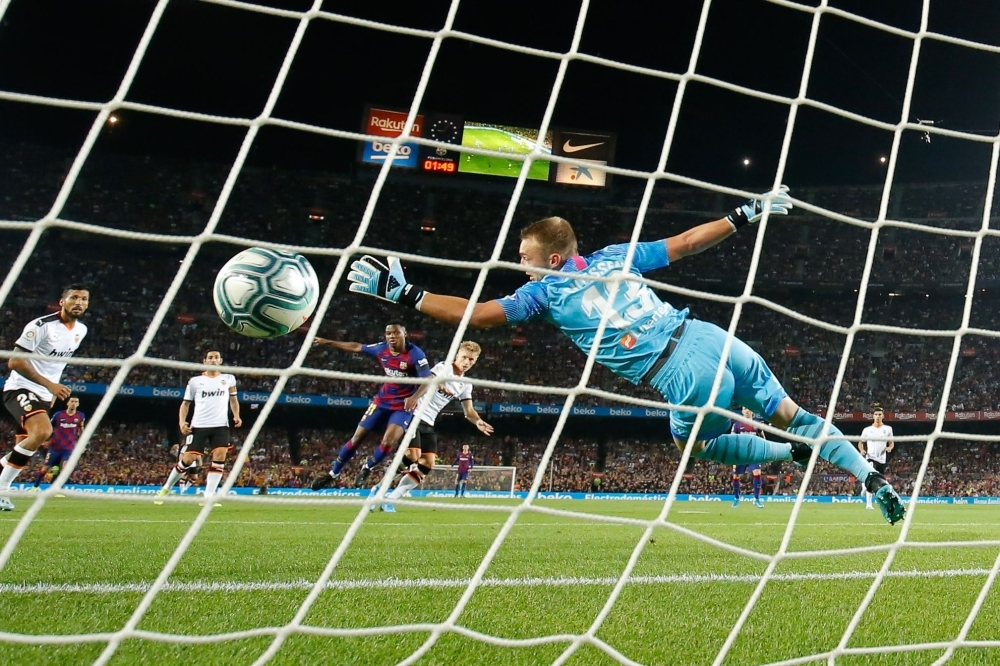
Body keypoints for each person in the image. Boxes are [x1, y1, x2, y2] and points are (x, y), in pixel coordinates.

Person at [345, 187, 906, 525]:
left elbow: (482, 313)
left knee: (694, 440)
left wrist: (407, 295)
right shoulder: (617, 255)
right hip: (713, 336)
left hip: (680, 372)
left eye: (526, 256)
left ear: (556, 258)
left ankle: (787, 457)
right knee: (799, 414)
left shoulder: (546, 290)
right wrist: (746, 211)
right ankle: (867, 477)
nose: (522, 264)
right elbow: (686, 244)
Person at [310, 322, 431, 490]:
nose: (392, 336)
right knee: (357, 437)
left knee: (389, 441)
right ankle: (333, 474)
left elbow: (428, 379)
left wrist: (414, 397)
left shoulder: (415, 354)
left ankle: (367, 467)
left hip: (403, 406)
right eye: (388, 333)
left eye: (396, 333)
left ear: (405, 335)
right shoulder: (381, 349)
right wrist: (327, 342)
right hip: (381, 402)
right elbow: (357, 347)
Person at [0, 286, 90, 510]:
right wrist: (50, 385)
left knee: (26, 444)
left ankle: (2, 482)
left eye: (84, 299)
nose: (79, 302)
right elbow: (15, 361)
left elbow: (57, 364)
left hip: (43, 393)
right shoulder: (41, 326)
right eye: (74, 298)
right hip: (19, 387)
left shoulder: (81, 330)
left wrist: (49, 392)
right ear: (62, 301)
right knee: (43, 432)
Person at [377, 341, 493, 512]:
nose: (466, 362)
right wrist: (440, 384)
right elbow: (429, 378)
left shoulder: (466, 383)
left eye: (471, 360)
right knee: (412, 456)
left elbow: (468, 411)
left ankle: (390, 499)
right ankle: (379, 488)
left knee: (427, 464)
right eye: (464, 357)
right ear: (457, 356)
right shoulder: (444, 367)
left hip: (429, 422)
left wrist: (478, 421)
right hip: (414, 415)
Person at [156, 349, 241, 503]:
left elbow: (233, 400)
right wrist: (182, 422)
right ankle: (166, 488)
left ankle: (208, 496)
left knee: (220, 455)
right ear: (205, 361)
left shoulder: (229, 378)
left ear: (221, 361)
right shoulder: (195, 381)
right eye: (210, 357)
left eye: (216, 357)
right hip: (199, 425)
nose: (213, 360)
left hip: (221, 425)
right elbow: (185, 404)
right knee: (188, 459)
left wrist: (236, 415)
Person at [32, 397, 86, 490]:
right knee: (44, 469)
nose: (74, 403)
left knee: (65, 468)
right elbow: (49, 427)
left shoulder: (80, 416)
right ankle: (35, 487)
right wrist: (45, 439)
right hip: (55, 446)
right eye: (72, 401)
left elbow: (81, 430)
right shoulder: (59, 415)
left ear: (78, 404)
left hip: (69, 447)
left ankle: (59, 489)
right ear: (67, 403)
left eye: (76, 402)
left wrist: (83, 444)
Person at [859, 406, 894, 511]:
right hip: (870, 457)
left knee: (878, 480)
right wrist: (861, 450)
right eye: (876, 414)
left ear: (883, 416)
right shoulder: (867, 430)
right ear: (873, 416)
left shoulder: (888, 429)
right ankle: (868, 504)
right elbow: (861, 443)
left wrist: (889, 448)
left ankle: (866, 487)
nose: (878, 416)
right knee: (871, 476)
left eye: (880, 414)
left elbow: (891, 442)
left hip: (882, 459)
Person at [731, 407, 764, 508]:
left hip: (753, 454)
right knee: (736, 477)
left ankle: (756, 499)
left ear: (752, 411)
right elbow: (732, 439)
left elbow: (763, 438)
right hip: (741, 455)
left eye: (749, 409)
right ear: (742, 411)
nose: (747, 411)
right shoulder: (737, 425)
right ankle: (737, 498)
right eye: (745, 409)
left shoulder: (757, 424)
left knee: (757, 472)